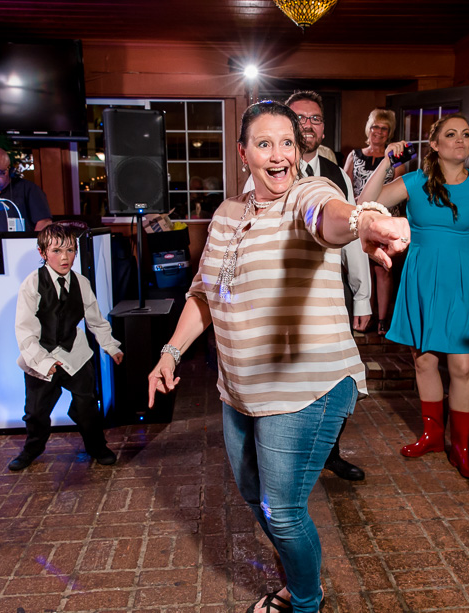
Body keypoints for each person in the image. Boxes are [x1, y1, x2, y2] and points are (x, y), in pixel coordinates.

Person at [147, 101, 410, 613]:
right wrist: (170, 354)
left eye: (287, 143)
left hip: (304, 389)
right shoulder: (227, 216)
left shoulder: (307, 197)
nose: (278, 155)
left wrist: (365, 219)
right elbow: (203, 295)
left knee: (284, 512)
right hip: (240, 391)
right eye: (264, 143)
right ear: (243, 153)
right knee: (255, 499)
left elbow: (330, 216)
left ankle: (305, 601)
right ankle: (298, 579)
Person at [358, 114, 469, 479]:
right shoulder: (414, 181)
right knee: (424, 361)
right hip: (421, 277)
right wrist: (386, 162)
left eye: (467, 134)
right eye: (451, 134)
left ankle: (460, 446)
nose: (461, 140)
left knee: (462, 366)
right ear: (435, 145)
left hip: (460, 280)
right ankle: (432, 435)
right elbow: (365, 203)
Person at [243, 91, 371, 482]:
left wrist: (362, 294)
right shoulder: (263, 172)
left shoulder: (334, 176)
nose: (307, 126)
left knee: (327, 376)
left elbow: (344, 223)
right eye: (299, 120)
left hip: (329, 291)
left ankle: (327, 452)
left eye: (315, 119)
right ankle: (290, 463)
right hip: (281, 296)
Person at [10, 223, 124, 471]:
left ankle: (96, 446)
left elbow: (96, 319)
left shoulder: (81, 283)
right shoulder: (31, 285)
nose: (65, 257)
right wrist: (43, 362)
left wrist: (111, 346)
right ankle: (32, 449)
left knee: (88, 405)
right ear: (42, 253)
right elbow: (25, 331)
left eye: (71, 250)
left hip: (75, 353)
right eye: (57, 251)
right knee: (36, 413)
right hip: (41, 355)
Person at [343, 108, 405, 336]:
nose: (378, 132)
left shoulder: (397, 156)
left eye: (384, 128)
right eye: (375, 127)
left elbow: (400, 186)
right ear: (368, 128)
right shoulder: (354, 155)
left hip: (386, 218)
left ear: (390, 132)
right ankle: (363, 314)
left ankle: (382, 320)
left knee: (382, 269)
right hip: (359, 217)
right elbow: (345, 185)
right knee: (361, 268)